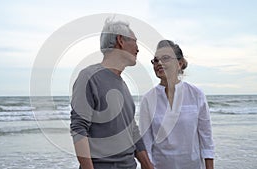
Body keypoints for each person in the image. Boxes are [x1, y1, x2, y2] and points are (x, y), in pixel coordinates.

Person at [70, 18, 154, 169]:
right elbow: (79, 129)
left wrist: (148, 165)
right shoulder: (89, 77)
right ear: (120, 40)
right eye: (135, 41)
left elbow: (132, 131)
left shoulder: (123, 85)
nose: (138, 48)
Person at [139, 40, 214, 169]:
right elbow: (146, 143)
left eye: (166, 58)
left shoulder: (196, 94)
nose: (159, 63)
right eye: (156, 60)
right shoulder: (148, 99)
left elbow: (206, 139)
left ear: (179, 64)